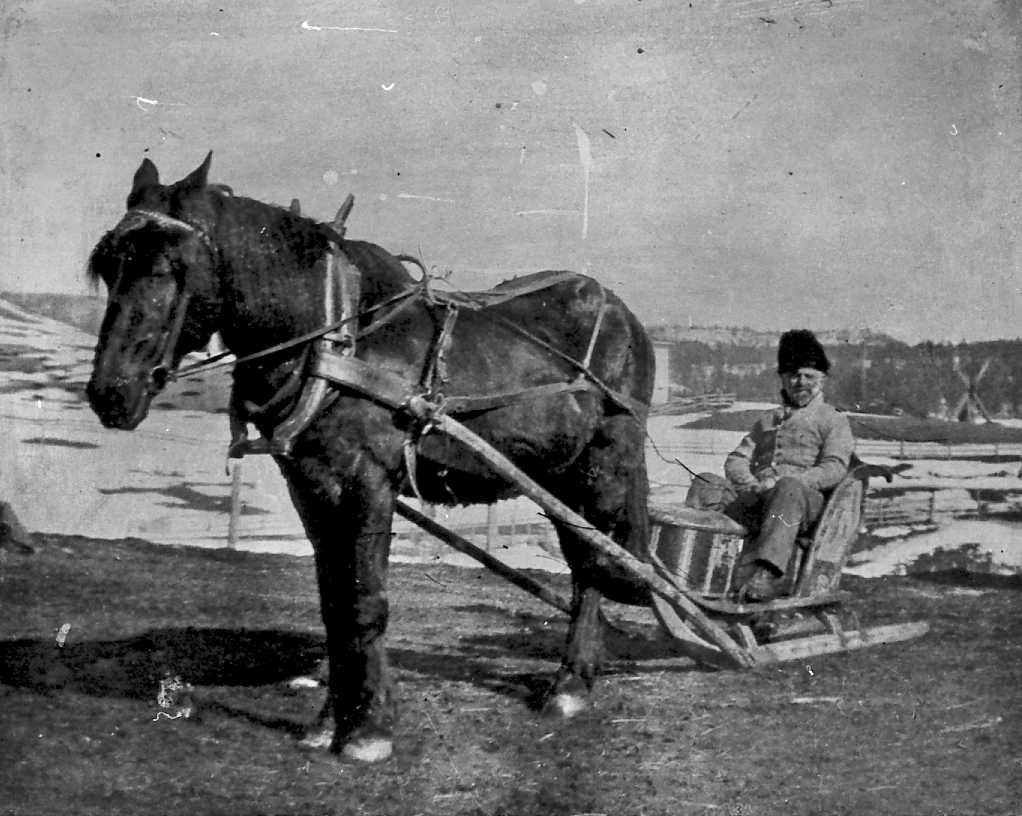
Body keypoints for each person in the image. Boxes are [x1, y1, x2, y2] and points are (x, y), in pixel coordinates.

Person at [686, 329, 854, 602]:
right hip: (758, 497)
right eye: (793, 376)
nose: (800, 382)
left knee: (788, 488)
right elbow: (738, 458)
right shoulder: (768, 419)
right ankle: (693, 561)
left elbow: (834, 467)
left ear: (821, 379)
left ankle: (768, 573)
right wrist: (749, 483)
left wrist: (794, 481)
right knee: (706, 482)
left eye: (808, 376)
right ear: (783, 379)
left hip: (801, 503)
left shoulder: (832, 419)